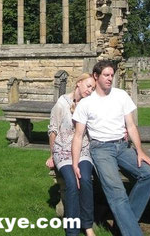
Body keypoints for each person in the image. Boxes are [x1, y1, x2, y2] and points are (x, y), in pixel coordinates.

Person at [72, 60, 150, 236]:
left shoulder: (121, 95)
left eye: (112, 75)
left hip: (122, 146)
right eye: (106, 75)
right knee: (117, 192)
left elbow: (131, 126)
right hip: (101, 149)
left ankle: (123, 224)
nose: (110, 78)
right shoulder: (86, 103)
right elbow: (78, 136)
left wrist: (140, 151)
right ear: (96, 76)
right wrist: (75, 163)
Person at [47, 73, 97, 236]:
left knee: (85, 180)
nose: (90, 90)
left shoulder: (90, 105)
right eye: (88, 86)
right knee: (71, 183)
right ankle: (72, 231)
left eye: (93, 88)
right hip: (63, 150)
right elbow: (53, 130)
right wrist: (51, 154)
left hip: (82, 149)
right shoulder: (62, 103)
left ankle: (87, 225)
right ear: (78, 83)